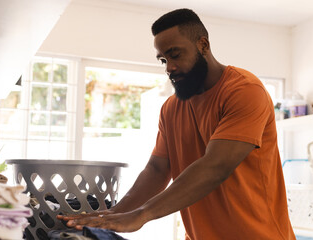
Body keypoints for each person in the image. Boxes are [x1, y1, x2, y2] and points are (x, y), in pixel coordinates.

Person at [57, 8, 295, 240]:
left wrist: (142, 214)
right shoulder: (172, 108)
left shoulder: (244, 91)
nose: (169, 67)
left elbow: (216, 166)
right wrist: (113, 214)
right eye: (163, 59)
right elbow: (158, 170)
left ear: (203, 45)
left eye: (175, 54)